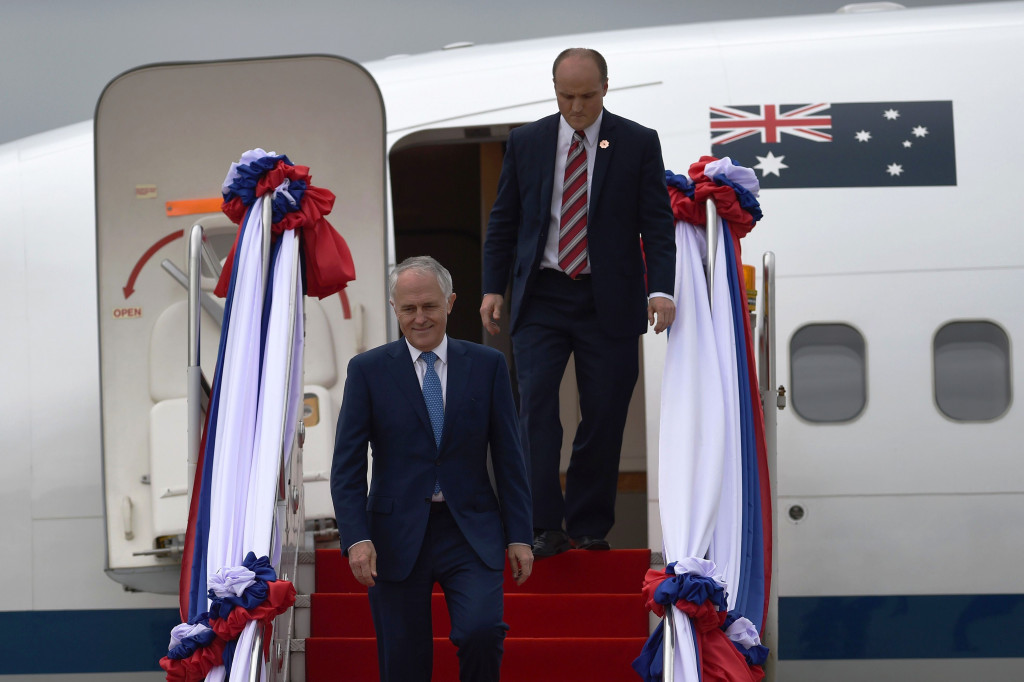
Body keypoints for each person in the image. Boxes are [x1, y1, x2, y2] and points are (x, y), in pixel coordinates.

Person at [480, 47, 676, 557]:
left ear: (606, 88)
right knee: (536, 409)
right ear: (554, 91)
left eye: (587, 96)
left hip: (606, 296)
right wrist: (492, 287)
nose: (577, 107)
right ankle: (543, 525)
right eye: (567, 96)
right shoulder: (527, 141)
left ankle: (588, 526)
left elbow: (656, 223)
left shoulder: (636, 143)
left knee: (605, 413)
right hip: (541, 294)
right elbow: (504, 219)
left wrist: (661, 289)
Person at [331, 255, 534, 682]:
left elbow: (509, 457)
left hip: (470, 529)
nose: (419, 318)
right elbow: (347, 466)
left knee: (481, 631)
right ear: (394, 309)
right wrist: (357, 538)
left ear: (450, 303)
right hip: (393, 534)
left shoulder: (487, 365)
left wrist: (519, 534)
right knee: (404, 661)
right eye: (409, 309)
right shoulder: (366, 371)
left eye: (429, 306)